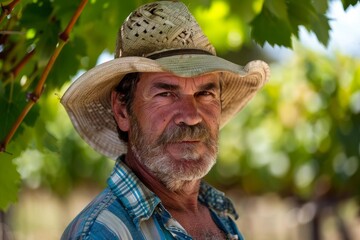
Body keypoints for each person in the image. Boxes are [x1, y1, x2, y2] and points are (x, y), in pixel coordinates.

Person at [61, 1, 270, 239]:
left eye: (205, 94)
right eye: (166, 94)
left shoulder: (218, 216)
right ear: (122, 110)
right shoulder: (102, 233)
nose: (191, 116)